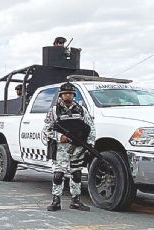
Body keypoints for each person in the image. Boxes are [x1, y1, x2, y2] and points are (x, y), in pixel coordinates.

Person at [44, 82, 95, 212]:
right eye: (66, 93)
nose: (68, 96)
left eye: (71, 94)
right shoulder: (54, 111)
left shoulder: (81, 110)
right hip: (61, 148)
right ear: (61, 95)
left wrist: (89, 144)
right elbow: (46, 129)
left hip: (78, 148)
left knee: (77, 174)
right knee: (58, 175)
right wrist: (60, 137)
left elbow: (91, 127)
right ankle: (56, 201)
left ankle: (76, 200)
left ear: (74, 95)